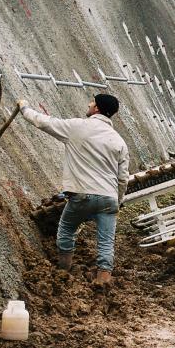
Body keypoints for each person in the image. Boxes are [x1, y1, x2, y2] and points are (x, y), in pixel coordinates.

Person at [17, 95, 129, 285]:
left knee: (67, 229)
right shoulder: (119, 142)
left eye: (92, 102)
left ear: (97, 109)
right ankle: (103, 280)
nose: (88, 103)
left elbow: (44, 122)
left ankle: (64, 271)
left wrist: (24, 108)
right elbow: (123, 178)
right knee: (106, 242)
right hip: (109, 198)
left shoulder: (78, 127)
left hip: (82, 194)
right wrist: (116, 202)